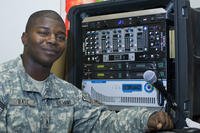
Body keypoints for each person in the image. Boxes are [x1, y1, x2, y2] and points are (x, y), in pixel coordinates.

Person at [0, 10, 173, 132]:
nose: (53, 40)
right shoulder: (3, 83)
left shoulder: (67, 93)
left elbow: (102, 121)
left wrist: (146, 118)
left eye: (60, 37)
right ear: (25, 38)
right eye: (44, 33)